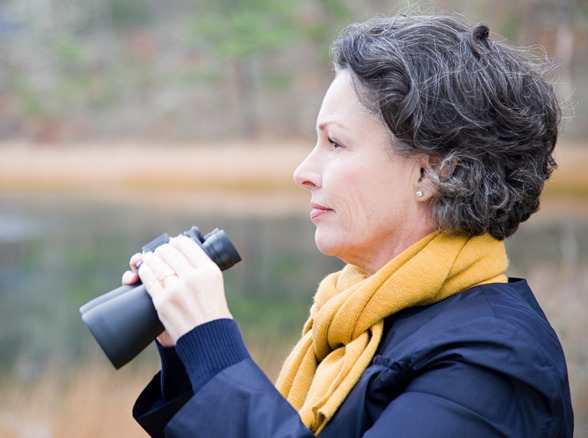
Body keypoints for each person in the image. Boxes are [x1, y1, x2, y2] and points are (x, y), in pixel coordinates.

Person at [121, 13, 574, 437]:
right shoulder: (355, 317)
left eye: (335, 143)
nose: (303, 171)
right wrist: (185, 353)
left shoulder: (495, 361)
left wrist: (213, 342)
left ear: (434, 173)